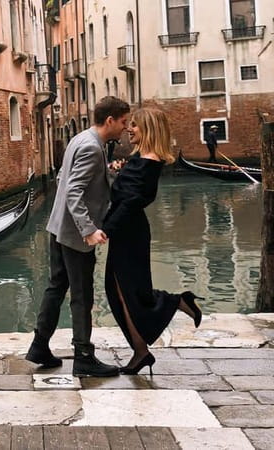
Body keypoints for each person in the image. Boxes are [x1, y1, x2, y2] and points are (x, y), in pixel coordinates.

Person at [25, 96, 130, 378]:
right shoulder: (92, 148)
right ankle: (83, 356)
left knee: (56, 287)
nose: (125, 128)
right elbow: (73, 190)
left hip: (58, 226)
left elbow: (63, 178)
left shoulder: (79, 139)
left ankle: (39, 346)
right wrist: (89, 229)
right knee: (82, 295)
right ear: (110, 120)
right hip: (75, 235)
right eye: (123, 122)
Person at [101, 108, 203, 375]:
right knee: (122, 291)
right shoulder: (140, 159)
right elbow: (126, 193)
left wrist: (106, 230)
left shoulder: (148, 162)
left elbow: (132, 201)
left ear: (148, 129)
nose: (129, 129)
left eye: (135, 125)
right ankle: (141, 351)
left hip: (129, 232)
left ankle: (175, 303)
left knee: (128, 291)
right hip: (127, 230)